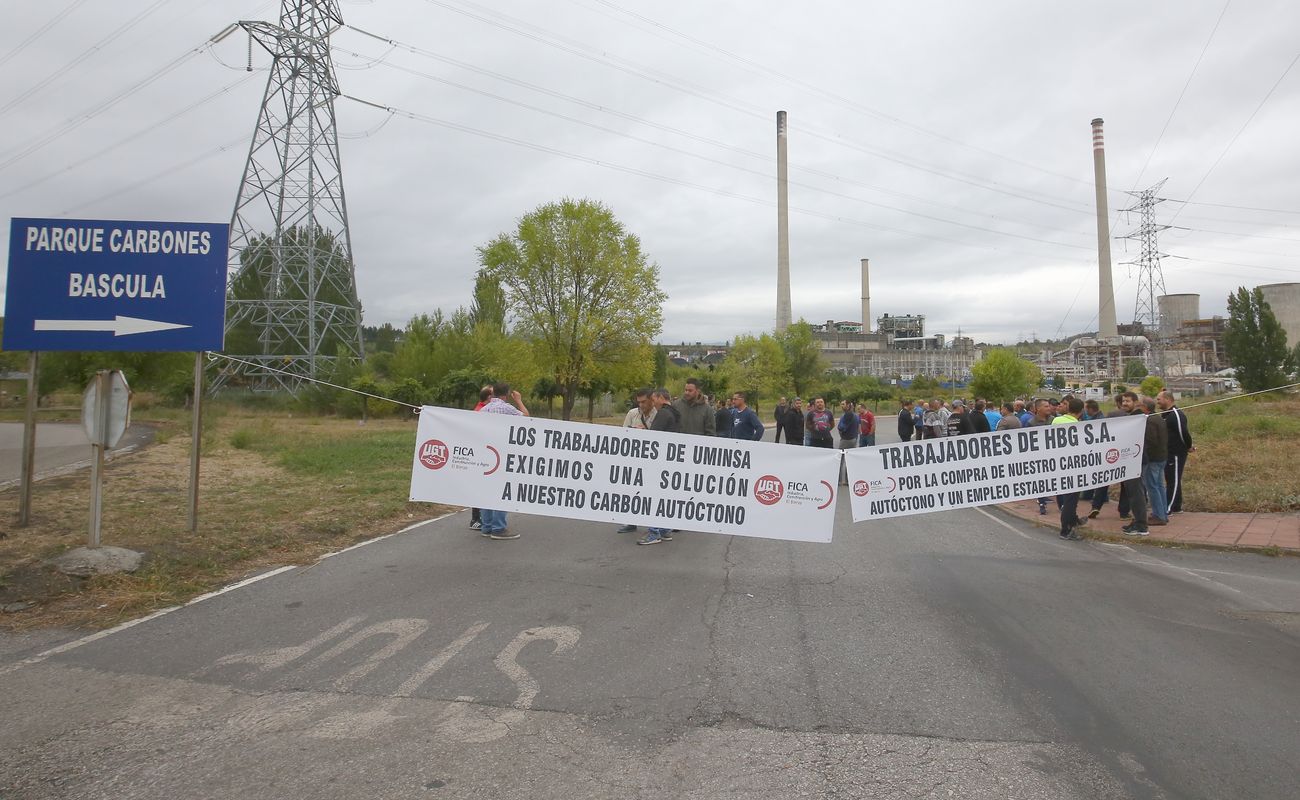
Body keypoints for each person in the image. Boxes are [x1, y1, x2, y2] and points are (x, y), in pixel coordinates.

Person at [479, 382, 528, 540]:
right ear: (506, 394)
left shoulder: (484, 409)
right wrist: (519, 401)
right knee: (502, 490)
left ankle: (486, 526)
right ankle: (498, 528)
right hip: (502, 452)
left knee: (486, 490)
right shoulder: (506, 408)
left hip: (487, 453)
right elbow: (526, 418)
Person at [638, 388, 682, 545]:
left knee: (653, 495)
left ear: (661, 398)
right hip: (669, 461)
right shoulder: (674, 413)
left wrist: (642, 433)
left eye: (654, 399)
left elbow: (654, 438)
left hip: (659, 462)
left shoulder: (663, 414)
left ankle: (654, 532)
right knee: (663, 495)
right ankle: (664, 530)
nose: (652, 402)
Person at [615, 388, 657, 534]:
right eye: (638, 402)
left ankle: (654, 524)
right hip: (635, 460)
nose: (641, 405)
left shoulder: (658, 415)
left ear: (652, 400)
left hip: (652, 461)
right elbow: (623, 434)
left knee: (650, 492)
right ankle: (631, 521)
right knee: (631, 491)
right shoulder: (632, 414)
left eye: (644, 402)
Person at [1120, 392, 1152, 536]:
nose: (1124, 404)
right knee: (1132, 493)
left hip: (1136, 460)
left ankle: (1141, 525)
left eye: (1127, 401)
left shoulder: (1138, 418)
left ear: (1135, 402)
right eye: (1123, 401)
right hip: (1131, 459)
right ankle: (1137, 521)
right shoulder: (1132, 417)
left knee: (1136, 493)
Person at [1052, 397, 1085, 540]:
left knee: (1064, 494)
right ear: (1081, 411)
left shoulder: (1056, 421)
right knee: (1071, 500)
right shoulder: (1078, 426)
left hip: (1058, 464)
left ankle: (1072, 521)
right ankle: (1066, 530)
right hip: (1072, 466)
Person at [1157, 390, 1193, 514]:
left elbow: (1183, 433)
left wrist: (1188, 446)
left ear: (1167, 399)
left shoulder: (1175, 415)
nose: (1157, 402)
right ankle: (1177, 506)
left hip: (1176, 453)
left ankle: (1169, 508)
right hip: (1168, 453)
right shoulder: (1165, 415)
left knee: (1173, 480)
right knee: (1172, 479)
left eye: (1159, 399)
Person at [1141, 396, 1170, 527]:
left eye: (1139, 406)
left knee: (1152, 487)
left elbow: (1151, 441)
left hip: (1153, 459)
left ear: (1145, 408)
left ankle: (1159, 515)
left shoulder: (1150, 421)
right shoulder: (1158, 418)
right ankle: (1163, 512)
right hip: (1161, 456)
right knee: (1159, 486)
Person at [469, 385, 494, 531]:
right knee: (479, 486)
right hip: (480, 454)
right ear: (489, 397)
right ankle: (475, 519)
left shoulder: (482, 409)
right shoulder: (480, 411)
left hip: (485, 452)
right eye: (494, 395)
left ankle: (482, 519)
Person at [836, 399, 860, 484]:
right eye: (841, 404)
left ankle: (838, 480)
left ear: (848, 405)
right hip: (853, 438)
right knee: (849, 460)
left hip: (846, 439)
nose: (841, 406)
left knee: (840, 460)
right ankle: (847, 480)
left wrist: (840, 430)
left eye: (843, 404)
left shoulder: (848, 414)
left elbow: (841, 427)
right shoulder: (855, 415)